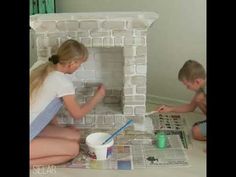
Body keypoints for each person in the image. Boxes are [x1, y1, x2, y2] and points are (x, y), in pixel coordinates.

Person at [30, 39, 106, 167]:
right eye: (80, 64)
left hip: (32, 127)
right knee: (73, 149)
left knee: (74, 136)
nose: (79, 67)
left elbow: (43, 104)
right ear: (72, 63)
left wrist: (57, 128)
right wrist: (98, 96)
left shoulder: (40, 66)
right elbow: (77, 114)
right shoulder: (62, 82)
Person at [155, 60, 206, 141]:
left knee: (196, 132)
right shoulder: (200, 89)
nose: (187, 88)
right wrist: (169, 109)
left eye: (188, 85)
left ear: (197, 81)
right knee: (198, 98)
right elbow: (191, 107)